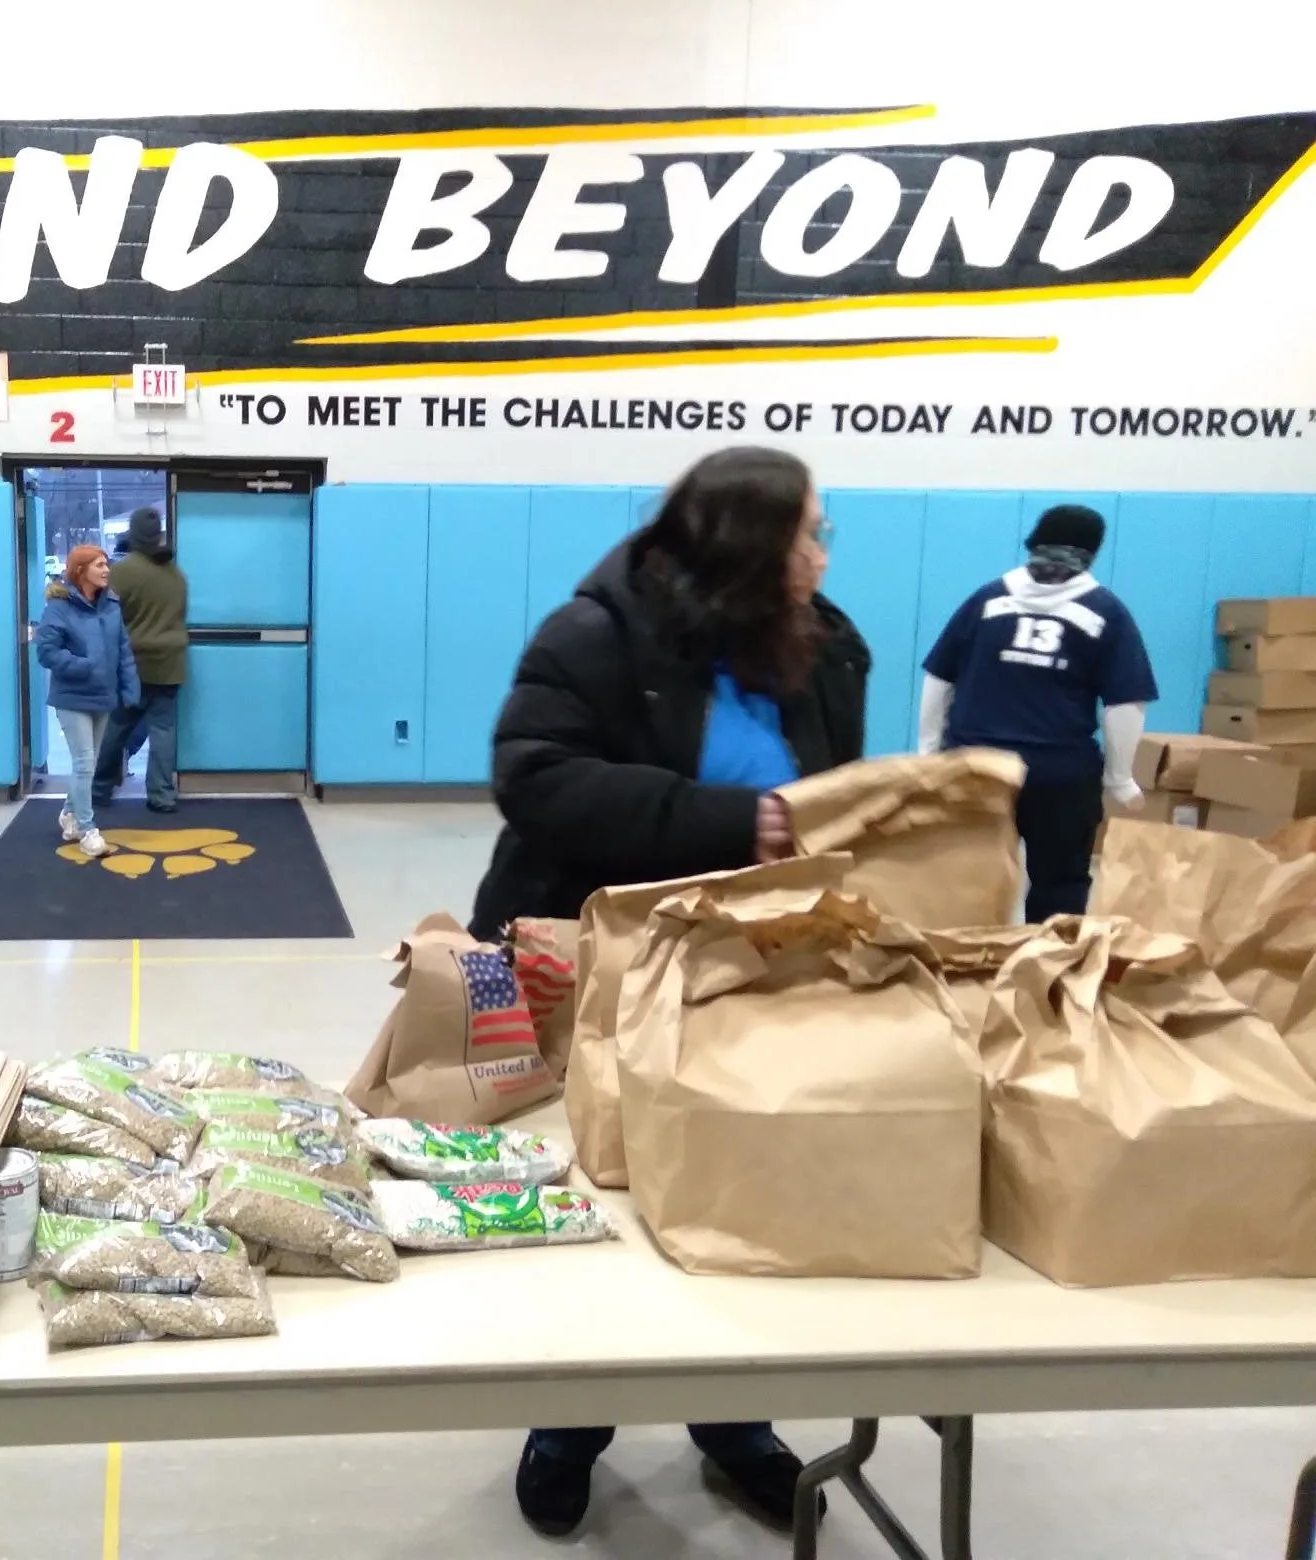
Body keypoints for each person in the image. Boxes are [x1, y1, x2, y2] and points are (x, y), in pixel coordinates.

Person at [471, 446, 869, 1539]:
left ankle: (730, 1419)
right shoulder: (594, 635)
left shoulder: (827, 648)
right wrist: (736, 824)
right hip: (598, 969)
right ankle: (569, 1423)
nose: (821, 554)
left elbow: (835, 793)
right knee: (597, 1202)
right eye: (807, 534)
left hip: (753, 973)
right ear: (746, 545)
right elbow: (536, 778)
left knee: (738, 1191)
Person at [918, 504, 1155, 920]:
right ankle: (1048, 976)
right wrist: (1119, 778)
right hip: (1058, 774)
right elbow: (1124, 705)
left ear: (1033, 543)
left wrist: (929, 752)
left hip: (977, 766)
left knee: (966, 883)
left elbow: (938, 679)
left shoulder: (986, 599)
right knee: (1059, 888)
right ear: (1092, 553)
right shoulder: (1106, 613)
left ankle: (962, 972)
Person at [37, 543, 141, 855]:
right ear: (80, 570)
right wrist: (83, 666)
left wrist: (129, 687)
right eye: (99, 564)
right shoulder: (59, 607)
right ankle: (87, 830)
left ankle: (69, 814)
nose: (107, 570)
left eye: (106, 563)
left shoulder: (111, 605)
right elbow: (46, 652)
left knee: (90, 764)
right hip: (72, 696)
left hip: (103, 696)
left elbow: (123, 650)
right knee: (83, 763)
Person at [96, 506, 189, 813]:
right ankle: (162, 795)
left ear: (133, 534)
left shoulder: (123, 571)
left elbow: (106, 617)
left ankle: (99, 791)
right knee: (163, 730)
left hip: (135, 664)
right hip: (171, 663)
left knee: (117, 727)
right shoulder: (176, 573)